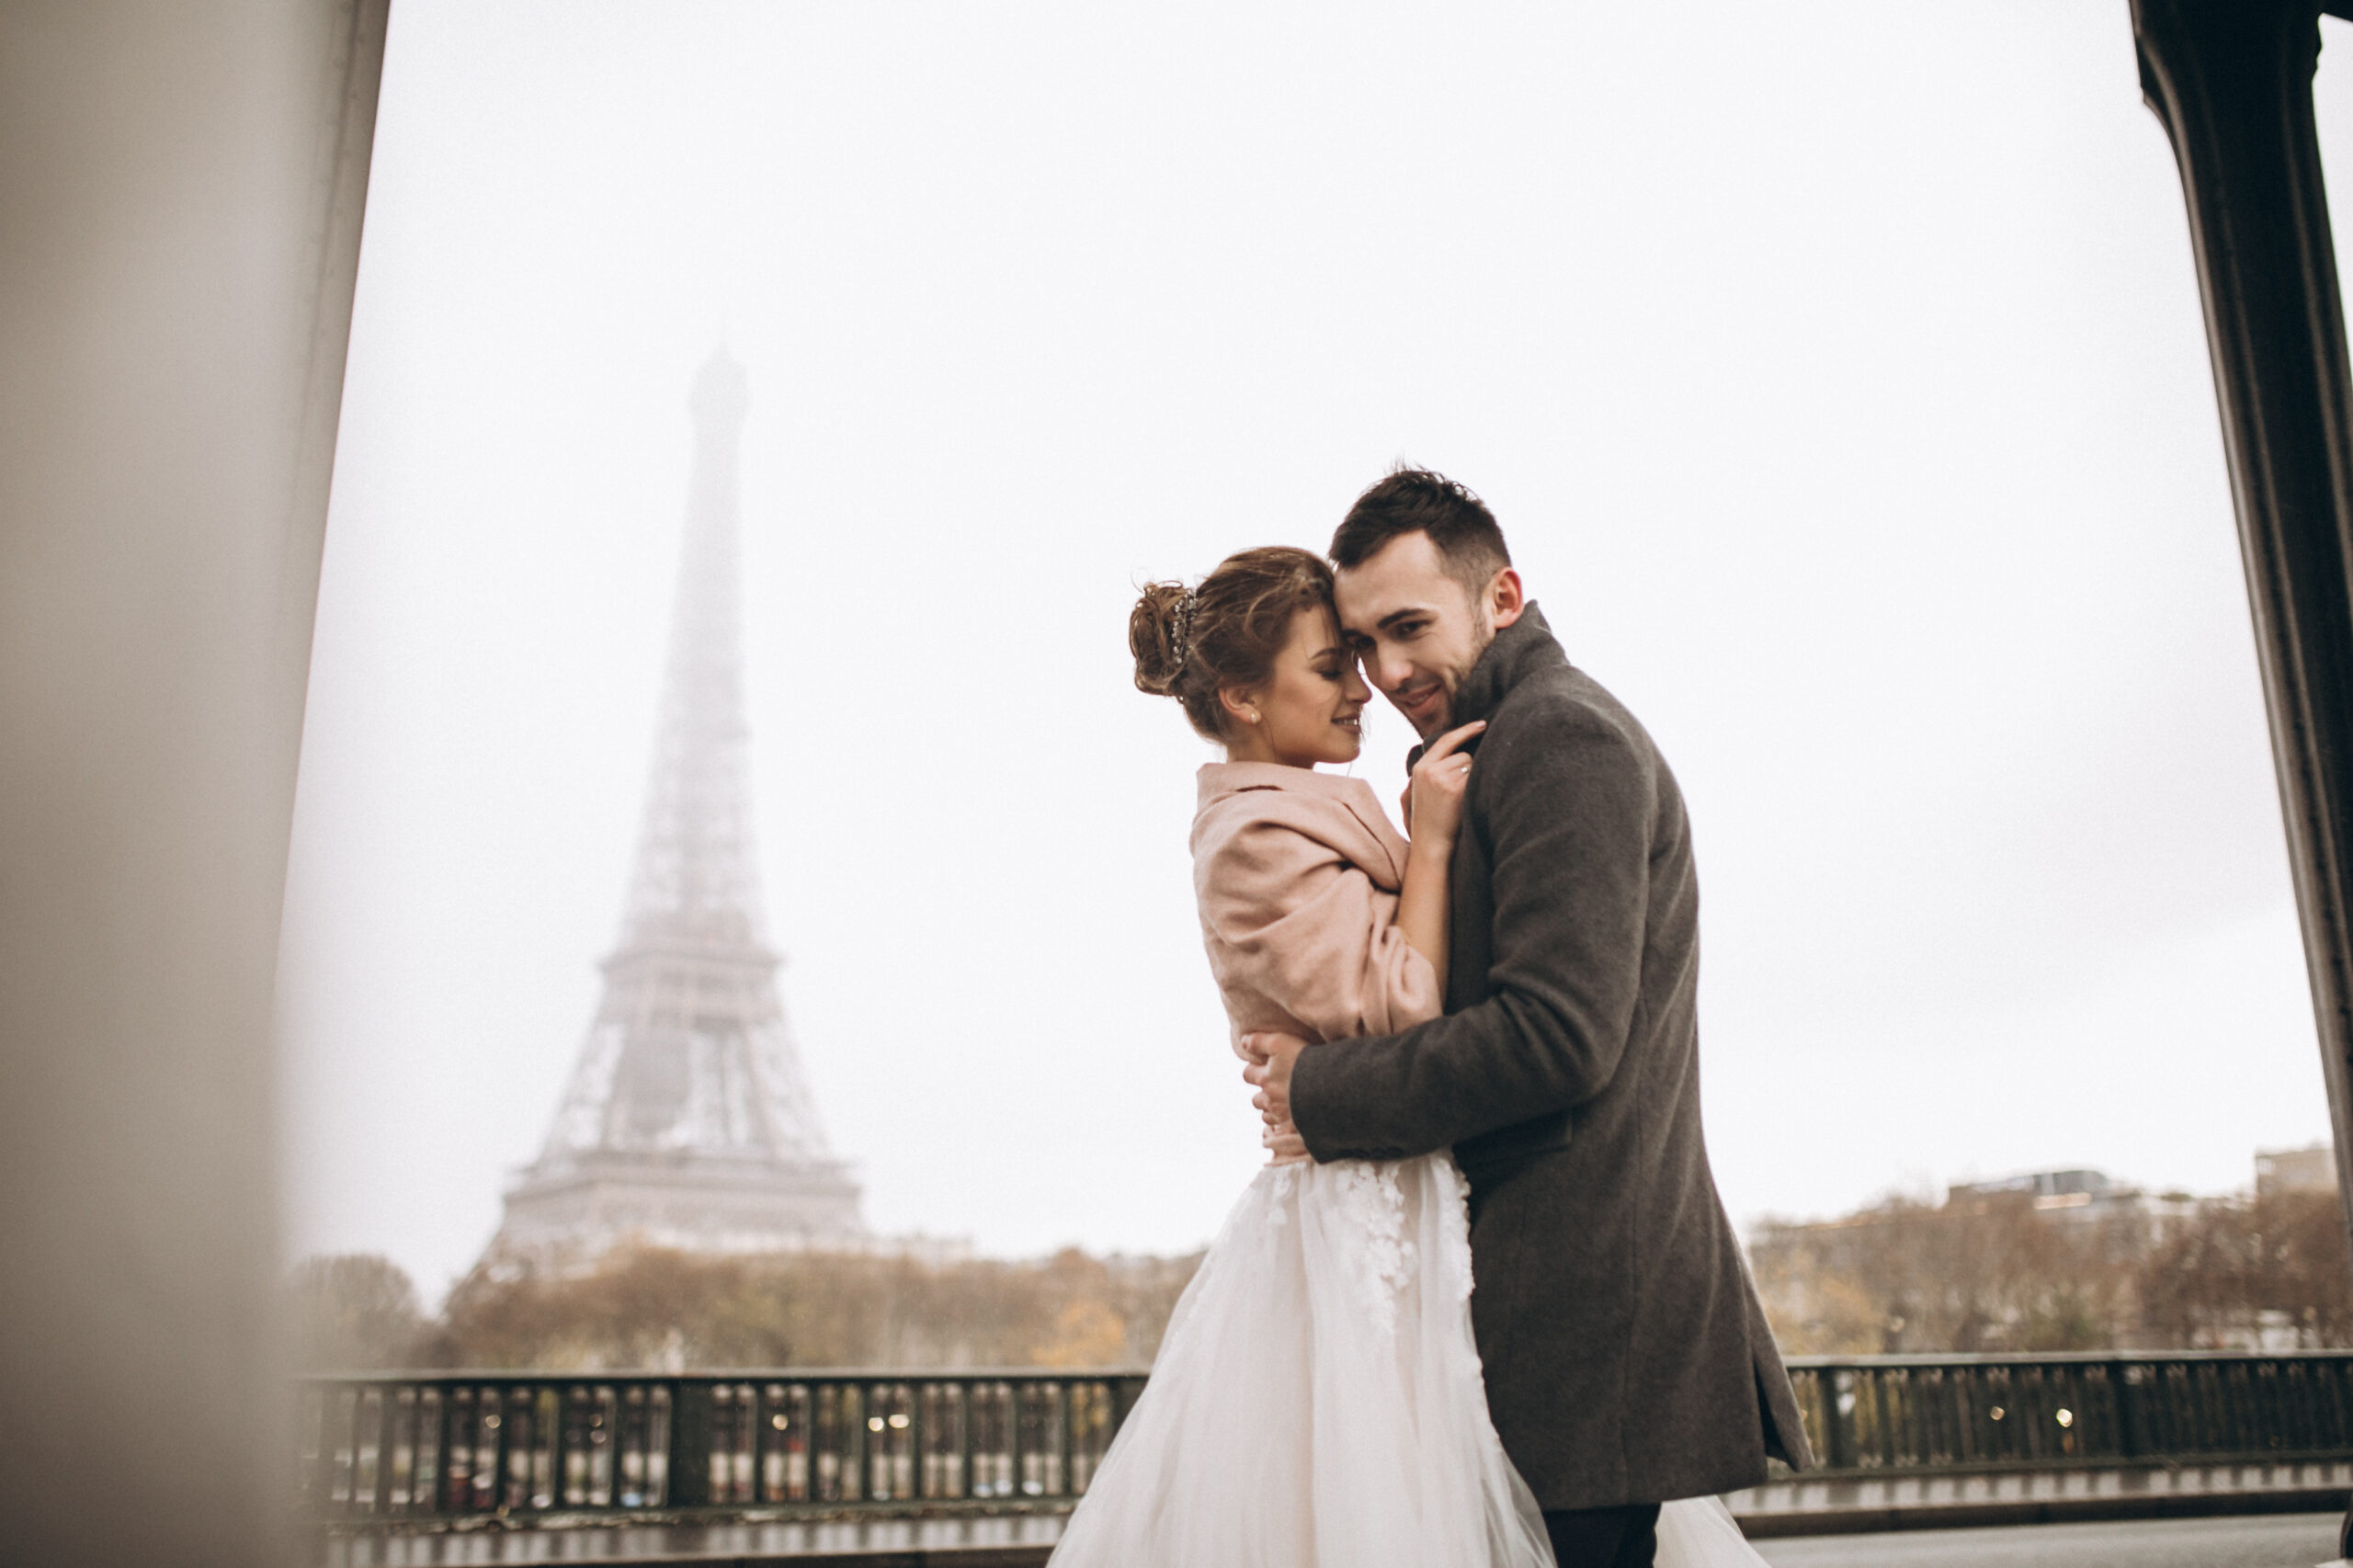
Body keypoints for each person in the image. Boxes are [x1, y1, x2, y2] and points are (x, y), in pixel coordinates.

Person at [1049, 543, 1770, 1568]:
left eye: (1364, 653)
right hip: (1365, 1224)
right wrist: (1429, 842)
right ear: (1242, 696)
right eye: (1331, 665)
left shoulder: (1312, 804)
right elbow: (1403, 1005)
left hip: (1410, 1209)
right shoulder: (1256, 833)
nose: (1363, 687)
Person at [1242, 470, 1813, 1568]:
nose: (1386, 671)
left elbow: (1558, 1034)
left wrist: (1320, 1092)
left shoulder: (1560, 739)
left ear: (1500, 597)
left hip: (1582, 1310)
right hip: (1553, 1307)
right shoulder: (1491, 745)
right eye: (1360, 643)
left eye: (1408, 627)